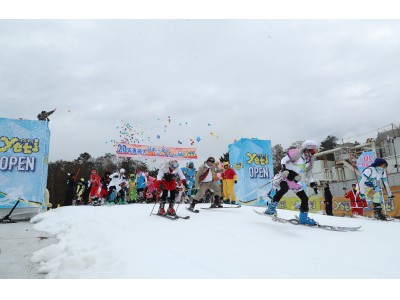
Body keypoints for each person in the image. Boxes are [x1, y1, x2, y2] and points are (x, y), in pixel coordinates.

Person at [265, 140, 320, 225]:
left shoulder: (309, 161)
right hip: (285, 176)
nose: (314, 152)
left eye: (316, 150)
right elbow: (283, 160)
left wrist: (313, 184)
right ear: (308, 148)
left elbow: (309, 175)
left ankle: (303, 219)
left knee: (305, 198)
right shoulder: (297, 153)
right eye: (313, 150)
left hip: (294, 181)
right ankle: (270, 209)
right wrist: (283, 169)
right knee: (284, 188)